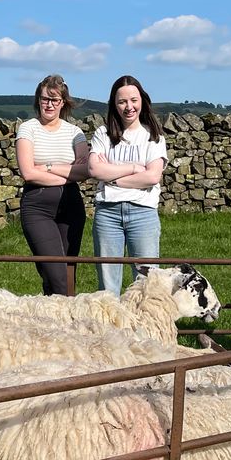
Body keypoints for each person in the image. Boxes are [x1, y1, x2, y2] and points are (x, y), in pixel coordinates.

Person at [87, 75, 168, 295]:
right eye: (122, 102)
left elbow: (152, 177)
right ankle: (110, 328)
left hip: (143, 213)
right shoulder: (103, 134)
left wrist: (111, 177)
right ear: (114, 104)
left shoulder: (154, 137)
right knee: (108, 284)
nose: (128, 107)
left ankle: (146, 328)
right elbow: (95, 170)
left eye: (133, 100)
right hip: (108, 214)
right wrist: (133, 168)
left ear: (142, 100)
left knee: (147, 281)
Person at [14, 75, 91, 295]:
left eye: (55, 100)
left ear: (63, 102)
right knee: (55, 273)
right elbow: (28, 173)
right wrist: (68, 172)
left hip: (71, 208)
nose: (49, 104)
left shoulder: (75, 132)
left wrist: (46, 167)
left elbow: (84, 171)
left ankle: (50, 322)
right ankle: (69, 322)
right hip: (37, 207)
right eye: (45, 99)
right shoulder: (28, 129)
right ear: (38, 100)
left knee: (66, 272)